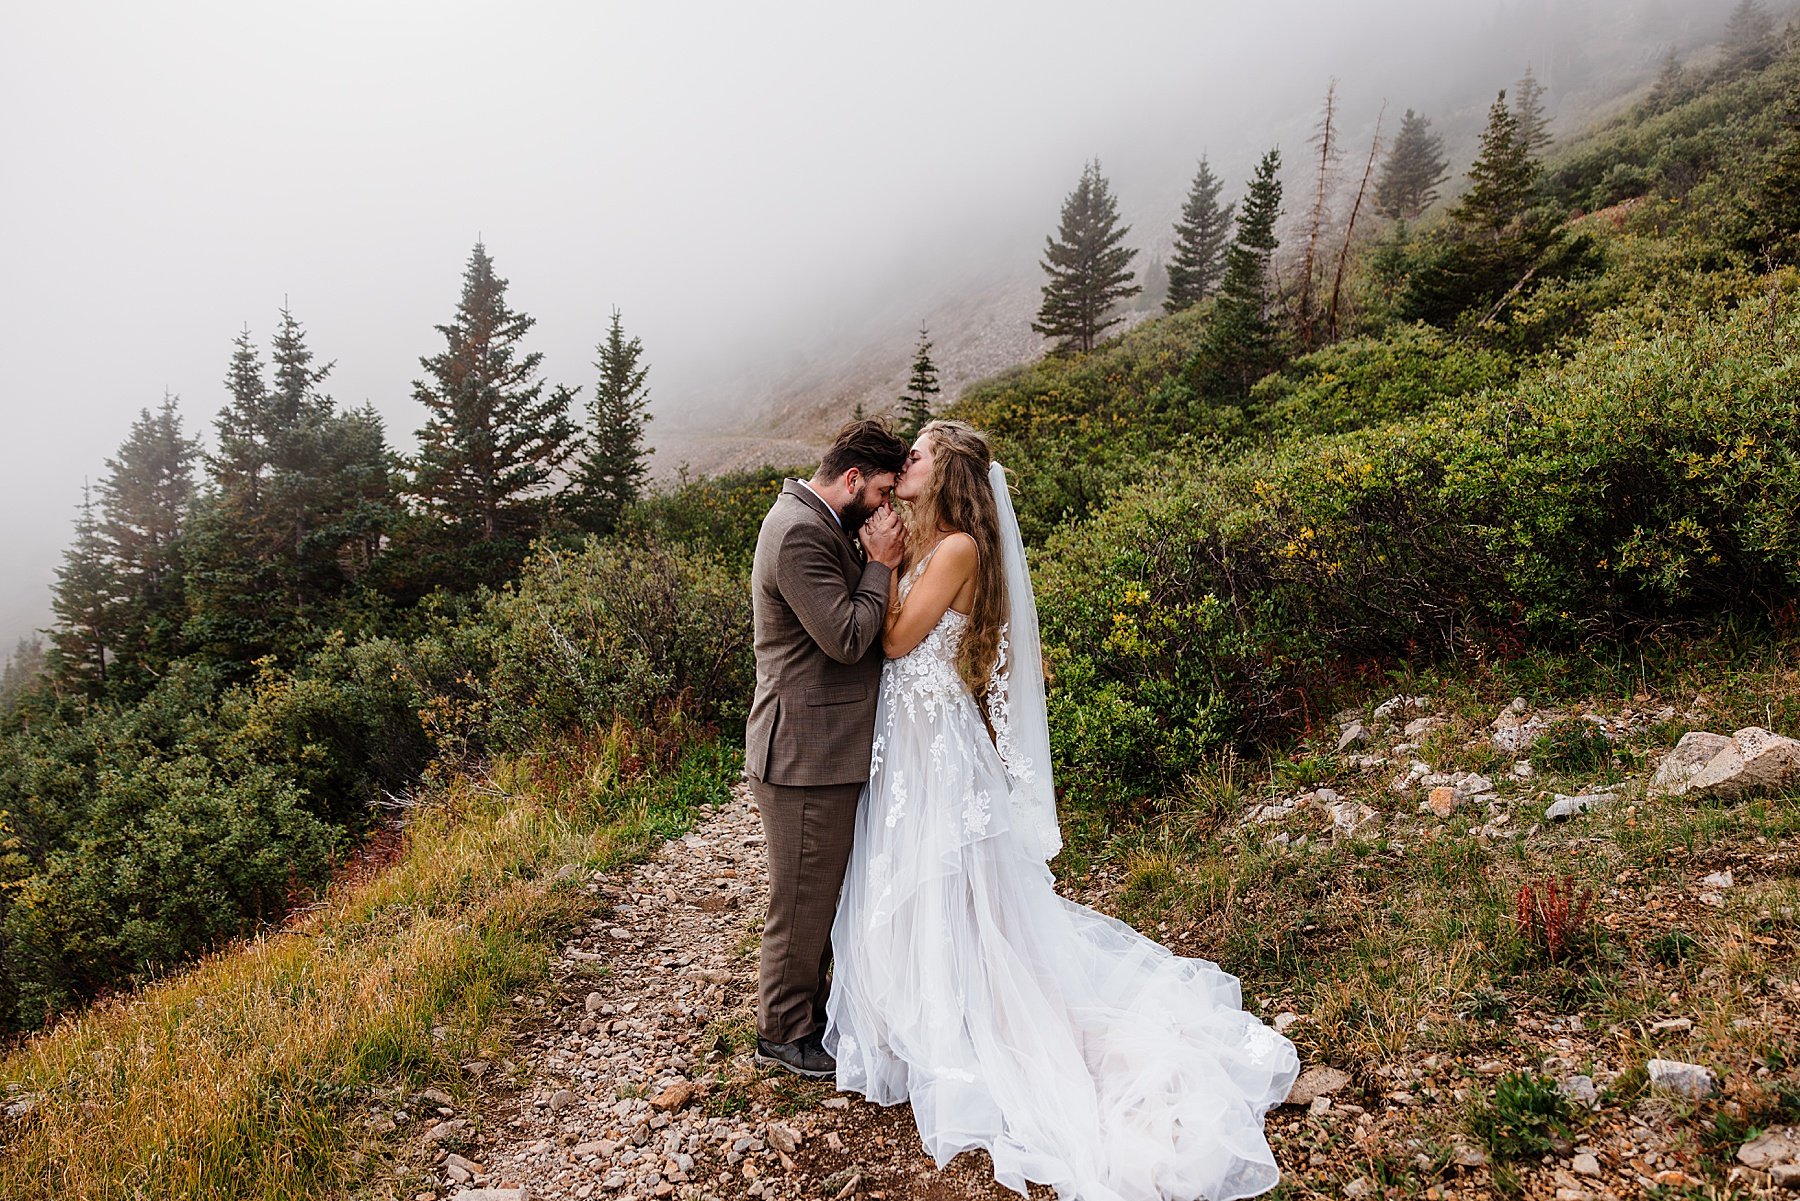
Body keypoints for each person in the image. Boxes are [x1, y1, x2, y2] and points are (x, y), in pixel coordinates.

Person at [825, 419, 1299, 1201]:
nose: (902, 462)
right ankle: (931, 1022)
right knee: (926, 882)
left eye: (917, 454)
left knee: (965, 892)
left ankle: (980, 1029)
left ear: (947, 473)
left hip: (935, 746)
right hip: (913, 743)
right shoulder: (933, 541)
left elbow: (899, 639)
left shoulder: (957, 551)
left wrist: (881, 568)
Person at [744, 418, 910, 1079]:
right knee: (804, 897)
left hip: (823, 745)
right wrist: (884, 566)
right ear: (851, 479)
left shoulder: (817, 521)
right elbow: (844, 636)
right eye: (882, 492)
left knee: (820, 890)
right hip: (803, 754)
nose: (887, 507)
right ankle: (783, 1031)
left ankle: (808, 1012)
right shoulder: (798, 534)